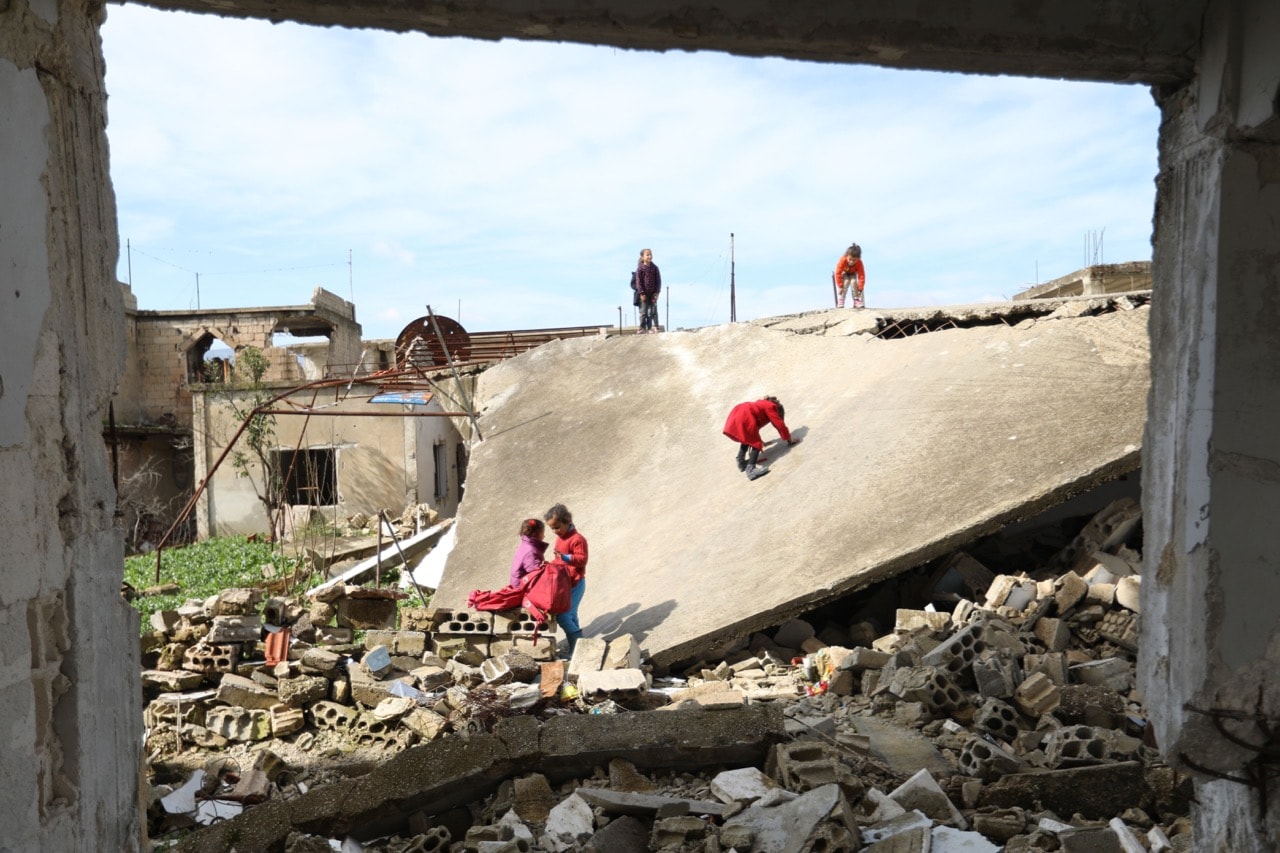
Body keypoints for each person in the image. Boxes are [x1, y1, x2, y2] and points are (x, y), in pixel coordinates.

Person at [544, 503, 589, 656]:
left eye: (557, 527)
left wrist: (566, 557)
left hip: (576, 583)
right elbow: (558, 560)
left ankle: (576, 648)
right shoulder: (560, 539)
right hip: (565, 584)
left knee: (563, 616)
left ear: (567, 520)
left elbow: (582, 559)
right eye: (552, 529)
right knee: (572, 615)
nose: (555, 531)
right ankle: (580, 648)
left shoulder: (577, 539)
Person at [723, 396, 800, 481]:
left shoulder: (762, 403)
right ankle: (751, 469)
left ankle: (741, 462)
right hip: (744, 416)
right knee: (755, 442)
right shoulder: (771, 406)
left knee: (748, 437)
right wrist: (789, 439)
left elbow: (753, 426)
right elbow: (779, 424)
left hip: (737, 414)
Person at [509, 517, 548, 589]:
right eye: (543, 533)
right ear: (536, 534)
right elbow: (536, 573)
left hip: (518, 584)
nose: (544, 536)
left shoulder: (525, 545)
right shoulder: (531, 552)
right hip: (521, 588)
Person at [634, 248, 662, 333]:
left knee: (654, 311)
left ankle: (656, 327)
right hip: (644, 294)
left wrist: (657, 292)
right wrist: (641, 293)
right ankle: (642, 328)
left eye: (650, 254)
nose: (649, 256)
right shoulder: (640, 269)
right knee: (644, 312)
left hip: (653, 293)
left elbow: (658, 281)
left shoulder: (655, 268)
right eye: (647, 255)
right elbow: (638, 281)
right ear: (642, 257)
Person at [833, 243, 867, 308]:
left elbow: (861, 275)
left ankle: (856, 300)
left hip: (853, 273)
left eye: (854, 260)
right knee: (845, 282)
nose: (851, 262)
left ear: (858, 259)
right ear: (847, 256)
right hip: (844, 273)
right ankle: (841, 299)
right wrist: (840, 286)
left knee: (854, 282)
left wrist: (860, 288)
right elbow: (838, 273)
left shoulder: (859, 263)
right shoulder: (842, 260)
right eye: (850, 259)